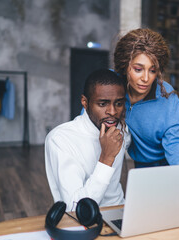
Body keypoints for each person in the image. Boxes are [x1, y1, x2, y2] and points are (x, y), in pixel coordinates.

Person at [45, 69, 131, 210]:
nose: (113, 112)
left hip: (121, 212)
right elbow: (75, 208)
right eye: (103, 104)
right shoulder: (60, 139)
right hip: (84, 221)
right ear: (85, 102)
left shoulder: (122, 130)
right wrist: (106, 158)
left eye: (119, 103)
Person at [114, 28, 179, 168]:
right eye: (138, 69)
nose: (146, 78)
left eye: (153, 70)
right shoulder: (110, 85)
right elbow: (89, 118)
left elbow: (176, 143)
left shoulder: (167, 96)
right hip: (141, 163)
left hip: (170, 162)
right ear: (125, 65)